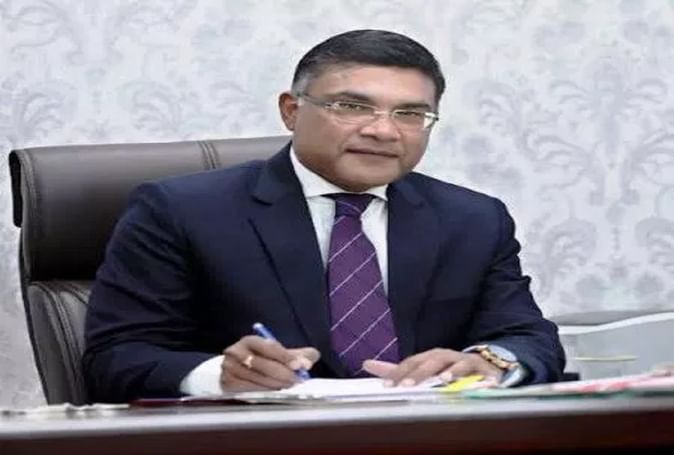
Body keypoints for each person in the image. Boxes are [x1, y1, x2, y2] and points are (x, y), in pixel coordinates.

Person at [84, 29, 565, 402]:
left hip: (429, 439)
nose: (383, 131)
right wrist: (221, 376)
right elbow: (118, 357)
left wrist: (489, 362)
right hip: (258, 444)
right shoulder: (181, 211)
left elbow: (527, 338)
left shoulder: (473, 219)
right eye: (353, 106)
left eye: (410, 114)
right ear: (291, 111)